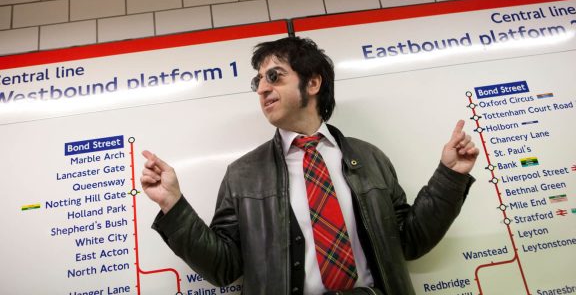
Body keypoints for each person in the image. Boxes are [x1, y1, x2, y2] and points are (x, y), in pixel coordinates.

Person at [141, 36, 479, 295]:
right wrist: (173, 205)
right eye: (257, 81)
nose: (262, 88)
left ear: (313, 83)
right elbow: (224, 268)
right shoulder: (243, 175)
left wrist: (450, 176)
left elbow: (409, 242)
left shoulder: (371, 158)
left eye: (274, 76)